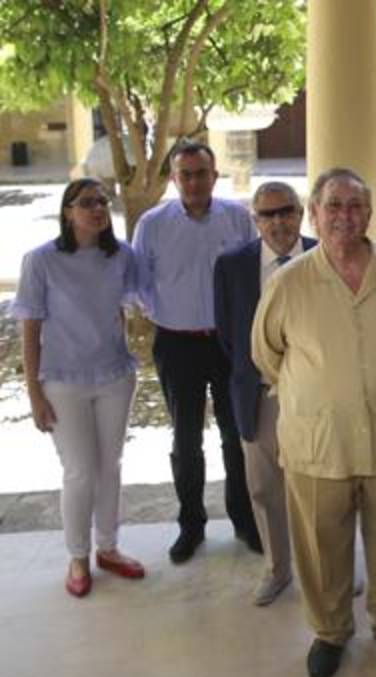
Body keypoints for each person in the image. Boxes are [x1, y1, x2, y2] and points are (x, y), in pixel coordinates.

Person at [251, 168, 376, 677]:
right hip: (318, 444)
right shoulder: (288, 282)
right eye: (333, 205)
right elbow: (266, 354)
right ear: (314, 213)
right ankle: (330, 632)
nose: (344, 216)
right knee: (320, 546)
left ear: (370, 213)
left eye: (355, 206)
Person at [13, 178, 145, 597]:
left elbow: (127, 310)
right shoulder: (40, 261)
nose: (98, 209)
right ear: (68, 211)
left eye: (103, 202)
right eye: (87, 203)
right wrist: (34, 392)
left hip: (114, 377)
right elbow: (30, 329)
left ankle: (108, 548)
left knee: (111, 467)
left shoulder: (121, 256)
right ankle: (77, 555)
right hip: (63, 383)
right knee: (80, 472)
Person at [132, 141, 259, 563]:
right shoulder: (152, 224)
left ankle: (244, 520)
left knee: (236, 435)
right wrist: (162, 311)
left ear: (214, 175)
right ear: (173, 179)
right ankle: (191, 524)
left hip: (227, 344)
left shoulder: (238, 218)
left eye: (201, 173)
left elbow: (252, 274)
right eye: (185, 174)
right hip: (176, 343)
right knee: (186, 439)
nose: (193, 181)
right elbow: (138, 279)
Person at [213, 181, 317, 606]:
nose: (279, 222)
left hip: (315, 399)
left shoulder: (323, 255)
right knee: (264, 488)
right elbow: (227, 334)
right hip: (258, 395)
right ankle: (278, 569)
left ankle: (326, 571)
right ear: (255, 221)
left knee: (318, 492)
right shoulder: (231, 266)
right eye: (268, 215)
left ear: (301, 212)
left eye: (286, 211)